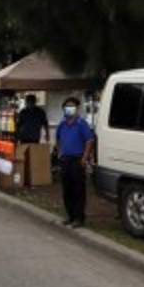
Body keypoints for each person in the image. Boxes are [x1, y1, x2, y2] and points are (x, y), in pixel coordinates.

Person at [55, 97, 96, 228]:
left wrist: (85, 157)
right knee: (67, 189)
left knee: (78, 190)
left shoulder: (81, 123)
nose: (69, 109)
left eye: (72, 106)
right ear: (64, 109)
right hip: (65, 160)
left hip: (78, 160)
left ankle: (79, 218)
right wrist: (60, 152)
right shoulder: (62, 124)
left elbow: (89, 141)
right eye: (67, 106)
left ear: (77, 109)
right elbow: (58, 138)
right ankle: (70, 216)